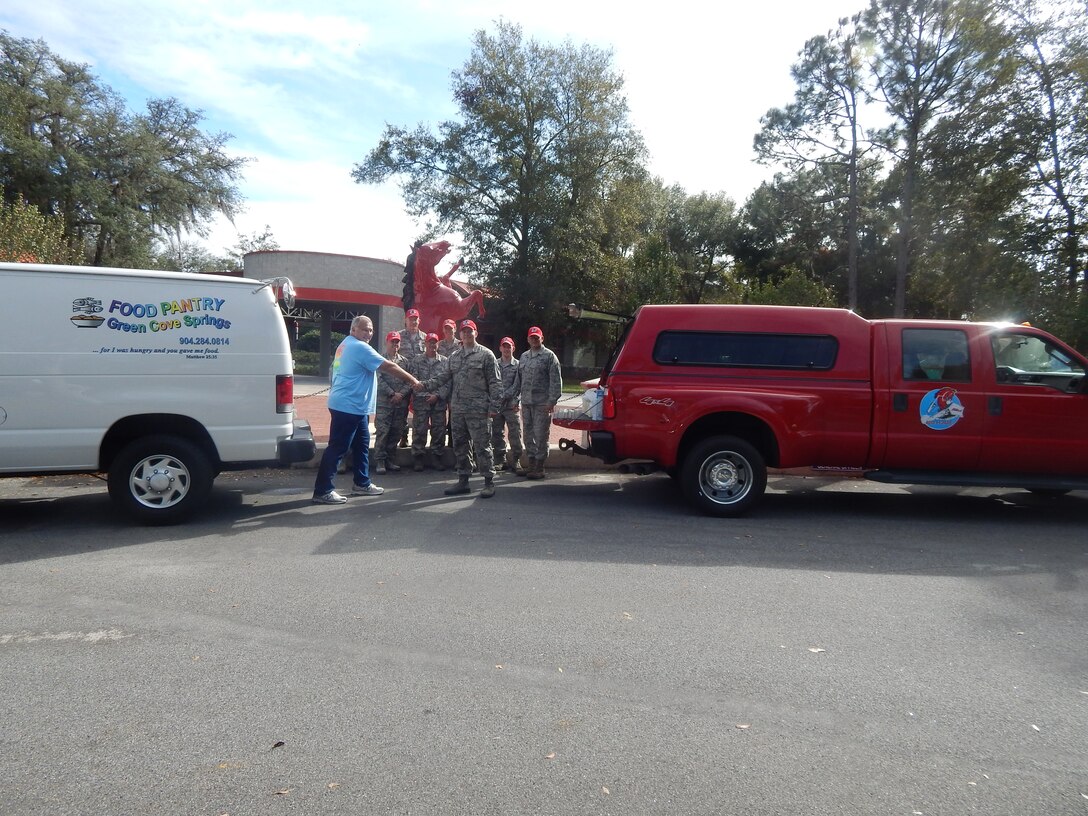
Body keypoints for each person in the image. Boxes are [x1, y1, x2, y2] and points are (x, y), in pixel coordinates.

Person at [312, 316, 418, 504]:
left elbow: (336, 370)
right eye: (364, 329)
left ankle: (362, 483)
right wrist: (413, 380)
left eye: (370, 330)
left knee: (362, 444)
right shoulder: (359, 347)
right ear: (353, 330)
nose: (368, 333)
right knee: (338, 447)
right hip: (349, 406)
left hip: (355, 407)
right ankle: (323, 490)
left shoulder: (345, 345)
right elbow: (388, 366)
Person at [414, 319, 501, 498]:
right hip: (458, 410)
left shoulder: (486, 355)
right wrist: (424, 385)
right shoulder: (454, 357)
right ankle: (463, 480)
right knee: (460, 446)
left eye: (470, 331)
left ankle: (488, 481)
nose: (467, 334)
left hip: (478, 410)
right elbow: (443, 377)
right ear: (460, 334)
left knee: (482, 446)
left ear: (476, 333)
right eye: (464, 331)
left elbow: (495, 383)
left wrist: (494, 406)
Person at [518, 325, 562, 480]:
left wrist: (552, 401)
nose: (534, 340)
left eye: (537, 337)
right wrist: (515, 398)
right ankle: (531, 464)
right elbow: (519, 380)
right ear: (528, 339)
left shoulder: (549, 356)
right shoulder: (524, 357)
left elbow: (556, 381)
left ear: (542, 338)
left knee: (541, 435)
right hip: (526, 403)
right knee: (528, 435)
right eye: (532, 337)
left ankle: (539, 466)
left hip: (542, 404)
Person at [408, 333, 450, 471]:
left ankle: (436, 457)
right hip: (421, 402)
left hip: (438, 402)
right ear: (425, 344)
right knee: (419, 430)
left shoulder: (445, 361)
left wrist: (437, 395)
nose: (432, 345)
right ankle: (418, 458)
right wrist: (426, 395)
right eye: (430, 342)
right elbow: (413, 381)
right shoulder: (417, 361)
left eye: (435, 342)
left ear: (438, 344)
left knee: (439, 430)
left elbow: (447, 381)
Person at [373, 331, 412, 475]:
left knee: (396, 431)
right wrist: (392, 393)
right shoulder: (380, 360)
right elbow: (378, 379)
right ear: (387, 342)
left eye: (397, 342)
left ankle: (390, 459)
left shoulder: (405, 362)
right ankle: (380, 461)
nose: (395, 344)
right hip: (385, 403)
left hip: (400, 403)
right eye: (392, 342)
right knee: (383, 432)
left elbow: (410, 380)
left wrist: (401, 394)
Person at [493, 336, 525, 475]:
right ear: (500, 348)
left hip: (512, 405)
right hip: (496, 405)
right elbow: (491, 382)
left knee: (515, 433)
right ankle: (500, 460)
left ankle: (516, 460)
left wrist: (506, 396)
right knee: (497, 433)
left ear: (513, 348)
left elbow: (518, 385)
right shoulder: (494, 363)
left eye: (509, 346)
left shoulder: (518, 365)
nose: (506, 349)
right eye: (504, 346)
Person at [398, 308, 426, 448]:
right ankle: (403, 438)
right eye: (410, 319)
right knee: (402, 410)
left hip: (420, 381)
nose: (413, 322)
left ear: (419, 321)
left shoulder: (425, 338)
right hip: (403, 380)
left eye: (415, 319)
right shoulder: (398, 336)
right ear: (406, 320)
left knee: (419, 411)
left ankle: (417, 440)